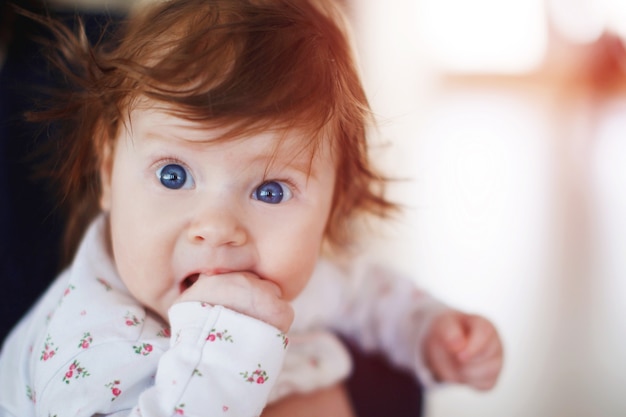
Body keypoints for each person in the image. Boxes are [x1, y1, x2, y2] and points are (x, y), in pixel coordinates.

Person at [0, 0, 504, 416]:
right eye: (174, 176)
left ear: (333, 208)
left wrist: (431, 331)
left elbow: (370, 297)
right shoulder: (84, 342)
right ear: (108, 173)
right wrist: (225, 353)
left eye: (271, 192)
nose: (218, 229)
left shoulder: (290, 276)